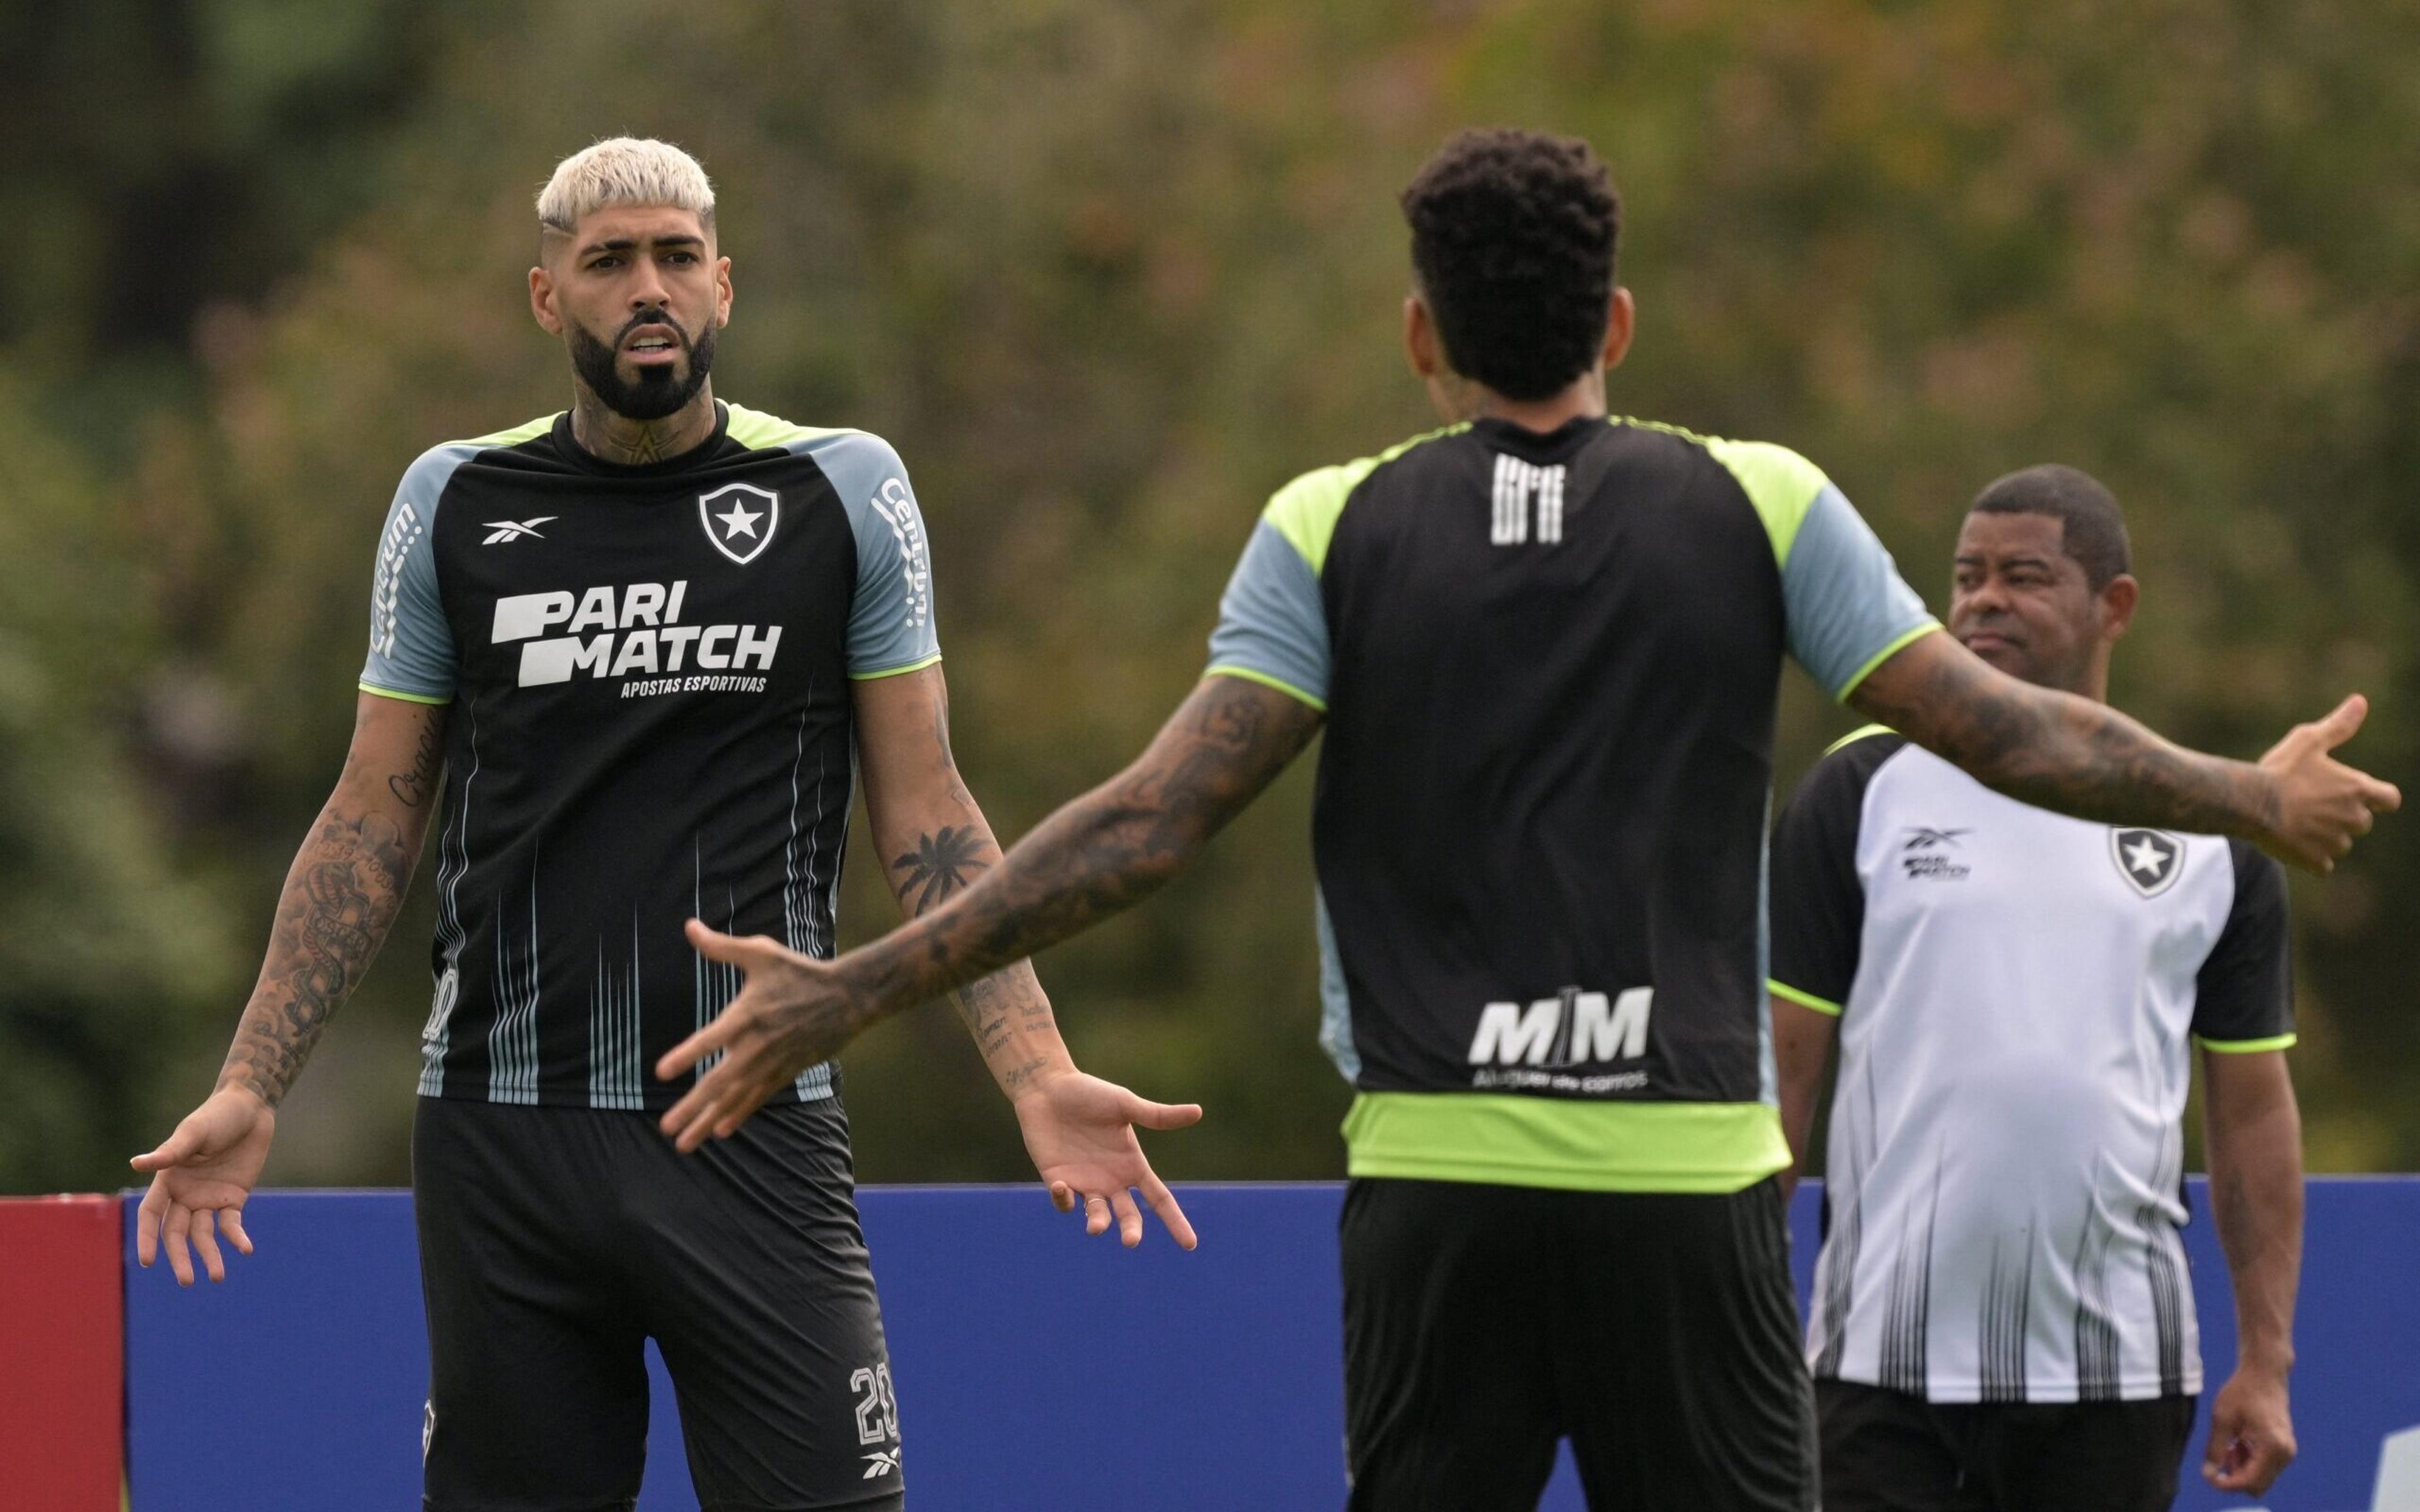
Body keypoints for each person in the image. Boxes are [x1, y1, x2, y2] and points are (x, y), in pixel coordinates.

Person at [647, 129, 2395, 1511]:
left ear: (1422, 333)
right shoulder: (1761, 504)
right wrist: (2249, 792)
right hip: (1687, 1199)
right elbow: (2013, 737)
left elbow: (1149, 826)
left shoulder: (1333, 524)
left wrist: (854, 987)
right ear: (1617, 323)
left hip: (1439, 1190)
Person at [127, 137, 1201, 1511]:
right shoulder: (452, 500)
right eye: (611, 262)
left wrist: (1037, 1070)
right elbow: (370, 815)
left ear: (725, 288)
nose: (651, 289)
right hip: (502, 1145)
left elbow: (929, 813)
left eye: (679, 259)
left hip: (751, 1124)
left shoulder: (844, 490)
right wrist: (252, 1080)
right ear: (544, 297)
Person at [1769, 465, 2305, 1511]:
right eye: (1967, 575)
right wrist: (1729, 1327)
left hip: (2114, 1376)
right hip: (1881, 1367)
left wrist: (2269, 1362)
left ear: (2117, 607)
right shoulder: (1860, 791)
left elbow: (2251, 1115)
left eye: (2025, 575)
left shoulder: (2214, 831)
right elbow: (1779, 1082)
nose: (1983, 600)